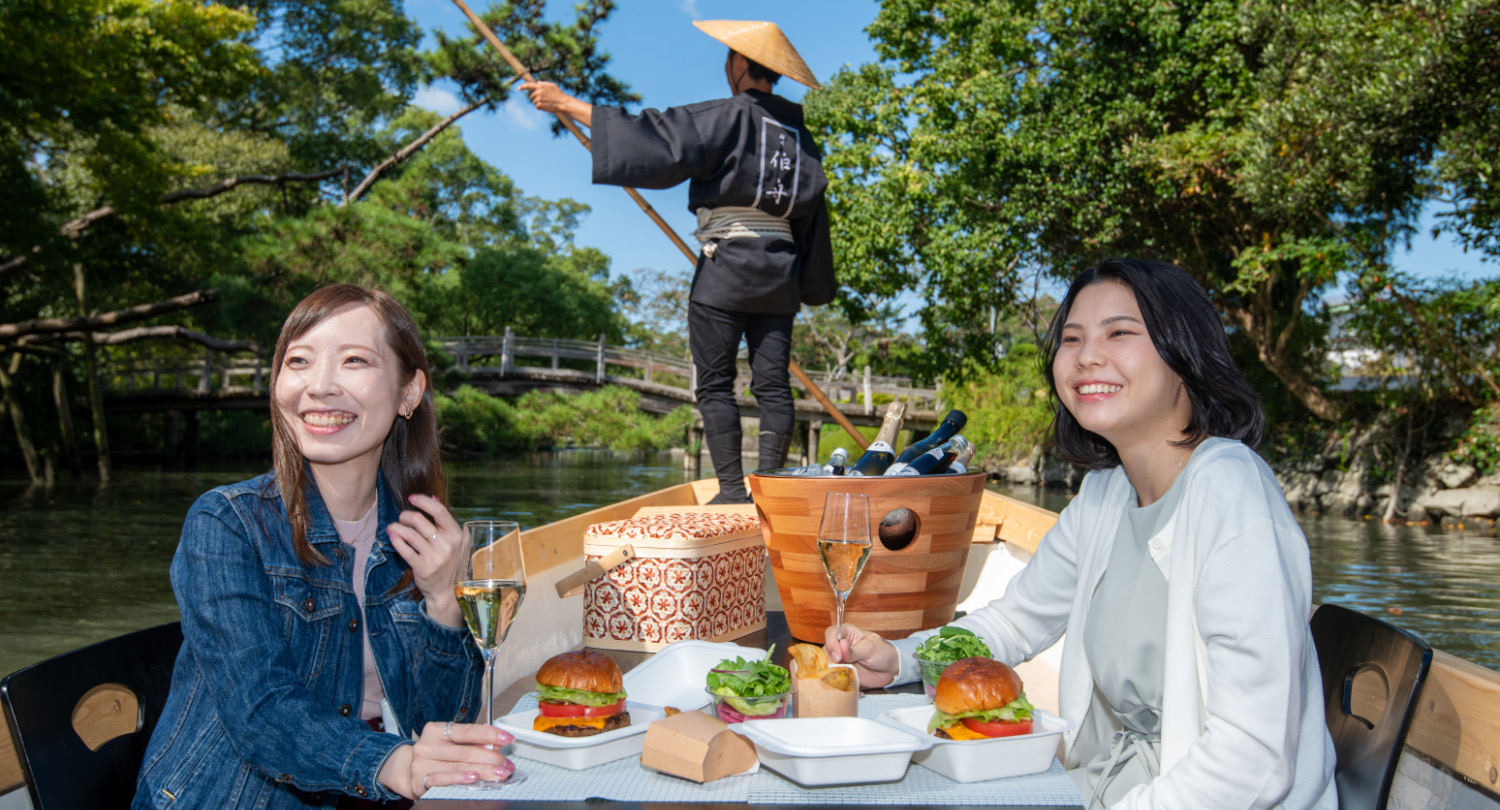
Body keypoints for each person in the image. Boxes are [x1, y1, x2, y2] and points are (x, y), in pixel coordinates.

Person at [826, 259, 1337, 809]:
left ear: (1184, 352)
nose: (1087, 355)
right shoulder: (1106, 496)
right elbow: (1015, 623)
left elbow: (1254, 759)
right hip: (1104, 785)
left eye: (1120, 332)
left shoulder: (1230, 491)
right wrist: (901, 660)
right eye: (1072, 339)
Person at [133, 285, 514, 809]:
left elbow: (438, 727)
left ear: (408, 392)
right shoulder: (227, 524)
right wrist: (390, 762)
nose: (319, 386)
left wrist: (444, 603)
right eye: (299, 362)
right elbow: (261, 713)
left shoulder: (421, 534)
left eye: (354, 360)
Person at [521, 20, 836, 504]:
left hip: (726, 268)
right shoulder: (804, 139)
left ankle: (732, 492)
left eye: (728, 57)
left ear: (739, 64)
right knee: (772, 386)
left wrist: (564, 103)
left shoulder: (727, 115)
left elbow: (658, 140)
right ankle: (771, 493)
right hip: (780, 274)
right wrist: (807, 284)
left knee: (714, 383)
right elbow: (813, 217)